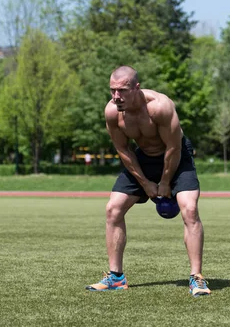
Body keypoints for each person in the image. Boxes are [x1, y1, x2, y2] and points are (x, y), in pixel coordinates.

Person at [85, 65, 211, 297]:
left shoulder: (160, 107)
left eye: (122, 91)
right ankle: (116, 277)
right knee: (113, 209)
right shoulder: (113, 112)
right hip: (143, 158)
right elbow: (122, 149)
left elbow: (173, 148)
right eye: (112, 90)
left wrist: (164, 183)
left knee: (190, 210)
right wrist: (144, 183)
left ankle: (197, 278)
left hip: (176, 157)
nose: (116, 97)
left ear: (136, 88)